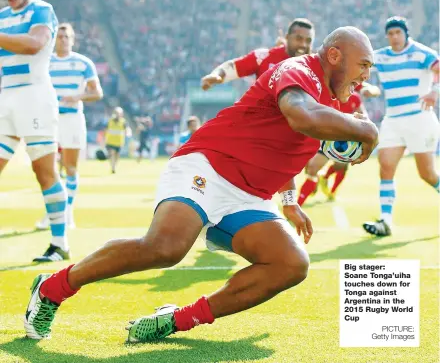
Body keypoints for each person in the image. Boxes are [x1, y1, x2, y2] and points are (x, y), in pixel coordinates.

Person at [24, 27, 378, 342]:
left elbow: (283, 147)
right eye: (363, 65)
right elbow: (300, 117)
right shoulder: (297, 69)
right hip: (209, 166)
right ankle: (52, 289)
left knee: (290, 264)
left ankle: (175, 320)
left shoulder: (335, 101)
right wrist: (365, 129)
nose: (365, 76)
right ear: (334, 55)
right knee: (166, 247)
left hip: (249, 196)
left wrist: (289, 200)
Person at [0, 0, 69, 263]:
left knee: (44, 172)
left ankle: (60, 243)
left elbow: (34, 44)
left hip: (35, 97)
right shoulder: (3, 15)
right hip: (7, 98)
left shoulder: (42, 10)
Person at [363, 17, 439, 237]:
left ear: (406, 33)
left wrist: (435, 91)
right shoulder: (382, 56)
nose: (394, 37)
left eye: (398, 32)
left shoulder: (421, 53)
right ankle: (385, 221)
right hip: (393, 121)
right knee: (385, 167)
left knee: (427, 174)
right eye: (390, 33)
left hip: (420, 119)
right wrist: (368, 87)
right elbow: (358, 62)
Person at [35, 23, 103, 230]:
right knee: (49, 169)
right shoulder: (44, 62)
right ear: (54, 39)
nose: (63, 40)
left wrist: (78, 96)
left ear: (72, 40)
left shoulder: (83, 63)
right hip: (49, 120)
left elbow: (97, 93)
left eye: (67, 37)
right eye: (60, 36)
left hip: (72, 119)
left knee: (70, 167)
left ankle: (67, 213)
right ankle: (53, 213)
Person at [298, 82, 381, 205]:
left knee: (340, 167)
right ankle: (298, 204)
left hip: (346, 141)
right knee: (312, 168)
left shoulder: (355, 94)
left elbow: (366, 111)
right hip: (327, 138)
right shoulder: (324, 92)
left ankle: (330, 188)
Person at [201, 18, 314, 90]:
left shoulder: (316, 67)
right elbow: (232, 67)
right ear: (287, 37)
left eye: (308, 41)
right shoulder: (264, 57)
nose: (303, 45)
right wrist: (217, 75)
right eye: (298, 39)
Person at [105, 107, 130, 174]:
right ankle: (113, 167)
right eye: (116, 113)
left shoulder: (123, 121)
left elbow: (126, 129)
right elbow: (106, 129)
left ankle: (114, 166)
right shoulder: (110, 121)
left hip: (119, 142)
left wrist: (127, 135)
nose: (117, 114)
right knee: (112, 154)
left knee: (117, 155)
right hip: (110, 141)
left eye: (118, 113)